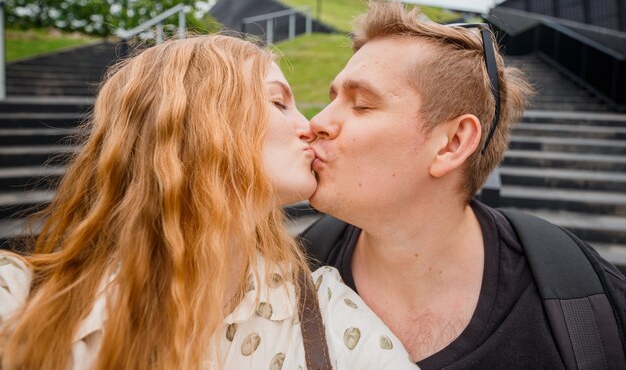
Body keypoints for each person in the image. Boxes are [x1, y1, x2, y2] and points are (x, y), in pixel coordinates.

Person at [0, 35, 418, 370]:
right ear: (195, 125)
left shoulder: (325, 312)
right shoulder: (18, 300)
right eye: (278, 102)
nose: (310, 126)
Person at [301, 1, 626, 369]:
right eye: (332, 100)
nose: (315, 122)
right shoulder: (291, 271)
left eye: (361, 104)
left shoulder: (583, 302)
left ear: (452, 143)